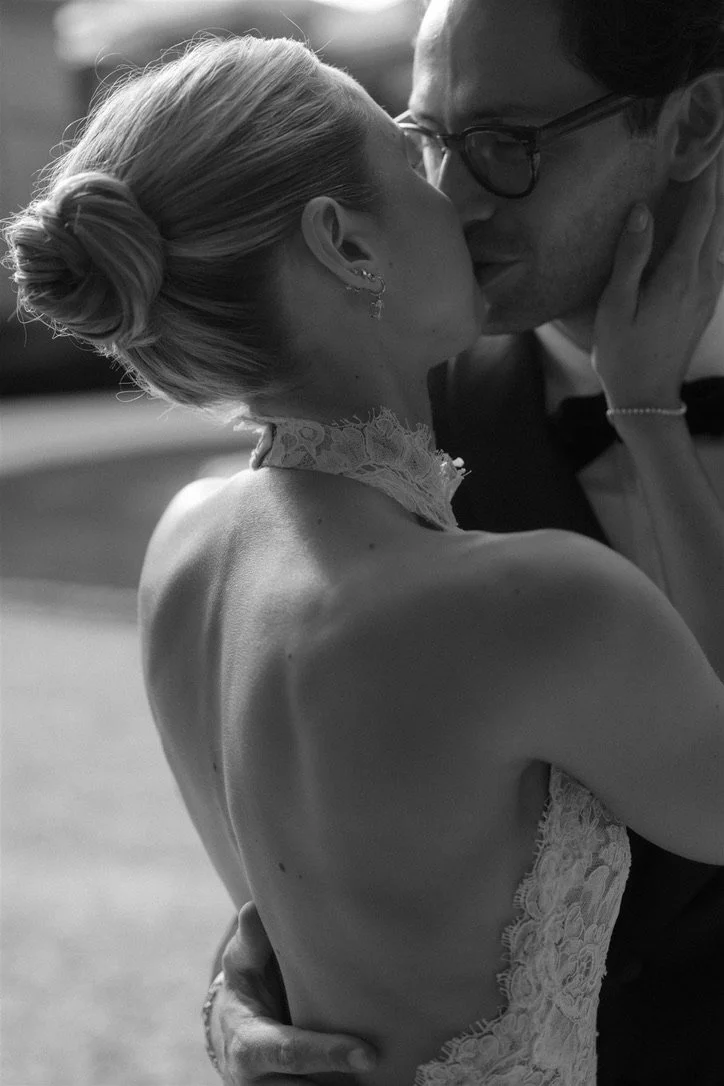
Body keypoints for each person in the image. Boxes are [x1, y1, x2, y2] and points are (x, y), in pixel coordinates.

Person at [3, 27, 724, 1086]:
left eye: (498, 139)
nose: (456, 194)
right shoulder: (533, 592)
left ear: (691, 124)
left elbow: (310, 882)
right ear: (345, 246)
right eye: (418, 145)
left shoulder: (186, 545)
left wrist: (257, 992)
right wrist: (649, 418)